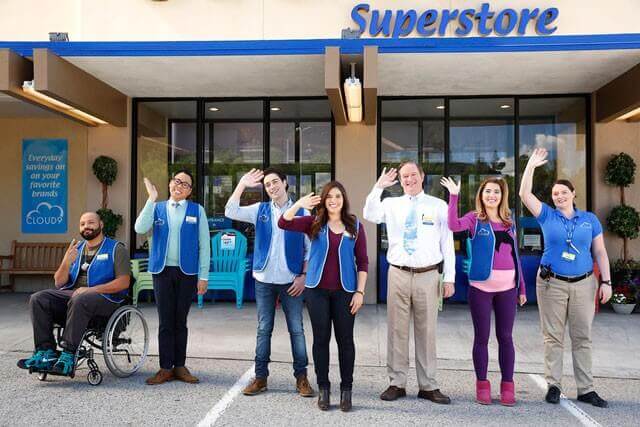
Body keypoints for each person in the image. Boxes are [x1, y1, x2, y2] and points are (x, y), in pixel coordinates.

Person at [519, 148, 612, 408]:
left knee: (582, 336)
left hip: (584, 283)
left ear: (573, 194)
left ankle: (586, 389)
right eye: (555, 193)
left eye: (563, 192)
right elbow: (524, 194)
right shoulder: (547, 215)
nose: (559, 196)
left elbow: (601, 252)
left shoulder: (589, 219)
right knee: (553, 337)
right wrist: (531, 166)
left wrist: (606, 281)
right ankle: (554, 385)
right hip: (552, 284)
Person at [363, 161, 455, 405]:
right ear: (400, 180)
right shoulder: (391, 204)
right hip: (398, 274)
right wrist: (378, 187)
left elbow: (447, 243)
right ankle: (397, 383)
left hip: (429, 275)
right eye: (404, 176)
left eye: (413, 175)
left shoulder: (438, 205)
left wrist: (450, 277)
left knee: (427, 332)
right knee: (396, 329)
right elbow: (369, 213)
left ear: (422, 177)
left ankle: (428, 385)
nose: (409, 179)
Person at [224, 168, 314, 398]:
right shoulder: (260, 210)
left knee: (297, 330)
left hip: (291, 280)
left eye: (275, 182)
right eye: (267, 185)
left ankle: (301, 378)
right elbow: (230, 210)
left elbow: (309, 249)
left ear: (285, 183)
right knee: (264, 329)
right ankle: (261, 377)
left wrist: (303, 276)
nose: (271, 187)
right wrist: (242, 184)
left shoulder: (302, 211)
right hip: (264, 279)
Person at [279, 181, 368, 412]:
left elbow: (364, 262)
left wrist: (360, 292)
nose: (333, 200)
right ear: (323, 199)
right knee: (320, 341)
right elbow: (283, 222)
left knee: (346, 341)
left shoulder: (355, 225)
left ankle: (346, 390)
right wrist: (299, 203)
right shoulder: (314, 222)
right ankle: (324, 389)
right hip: (316, 292)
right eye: (329, 196)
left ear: (343, 199)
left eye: (337, 196)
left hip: (346, 292)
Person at [441, 176, 526, 406]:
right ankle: (482, 385)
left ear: (502, 196)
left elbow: (515, 256)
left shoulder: (509, 222)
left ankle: (507, 386)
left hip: (508, 289)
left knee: (506, 338)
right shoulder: (474, 219)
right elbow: (452, 225)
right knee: (482, 338)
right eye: (488, 191)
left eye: (496, 192)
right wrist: (454, 196)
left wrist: (521, 287)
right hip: (480, 289)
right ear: (481, 194)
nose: (492, 195)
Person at [18, 212, 130, 376]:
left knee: (80, 297)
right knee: (38, 298)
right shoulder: (76, 249)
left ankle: (68, 355)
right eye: (82, 224)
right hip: (75, 299)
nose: (86, 226)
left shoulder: (116, 249)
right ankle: (45, 352)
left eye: (91, 222)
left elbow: (123, 282)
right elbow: (59, 282)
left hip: (106, 301)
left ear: (101, 225)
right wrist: (66, 261)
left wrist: (91, 290)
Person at [134, 170, 210, 385]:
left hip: (187, 272)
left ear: (190, 191)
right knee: (166, 321)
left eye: (185, 184)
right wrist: (151, 198)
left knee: (180, 321)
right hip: (162, 271)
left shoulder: (197, 210)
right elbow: (139, 227)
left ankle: (180, 366)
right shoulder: (157, 208)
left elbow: (204, 245)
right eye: (177, 181)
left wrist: (203, 276)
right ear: (170, 184)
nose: (180, 186)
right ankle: (165, 368)